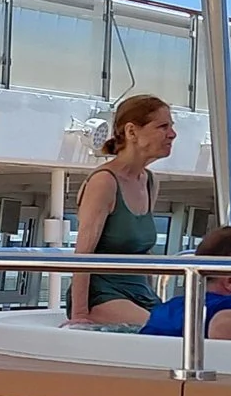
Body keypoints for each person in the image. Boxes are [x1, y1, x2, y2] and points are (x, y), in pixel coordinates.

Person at [67, 94, 175, 328]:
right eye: (163, 127)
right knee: (165, 330)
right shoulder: (104, 182)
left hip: (140, 292)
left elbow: (142, 253)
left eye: (171, 127)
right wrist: (79, 316)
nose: (172, 134)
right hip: (103, 294)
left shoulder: (149, 181)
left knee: (194, 327)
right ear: (132, 132)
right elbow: (82, 254)